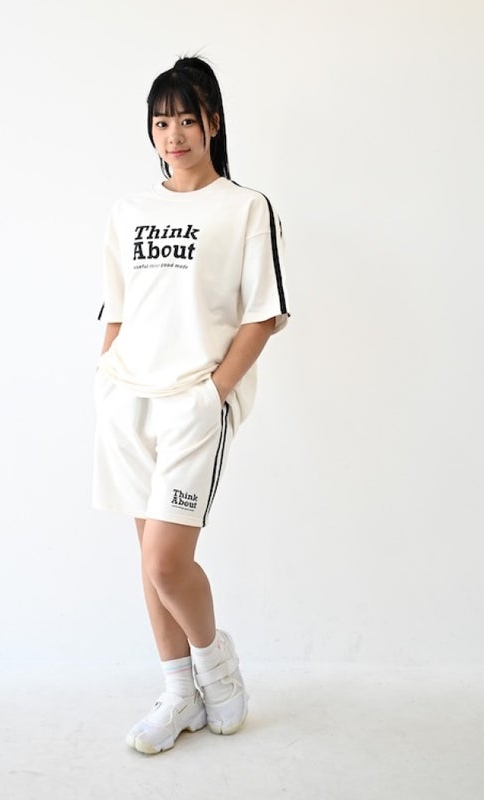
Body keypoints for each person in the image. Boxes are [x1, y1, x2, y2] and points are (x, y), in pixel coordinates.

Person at [92, 55, 289, 755]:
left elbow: (262, 315)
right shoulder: (130, 211)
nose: (172, 135)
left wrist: (214, 394)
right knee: (149, 560)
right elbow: (117, 306)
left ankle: (216, 667)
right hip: (129, 399)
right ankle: (179, 695)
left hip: (195, 403)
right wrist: (107, 382)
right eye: (160, 122)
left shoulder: (244, 208)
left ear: (214, 122)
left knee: (167, 561)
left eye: (185, 119)